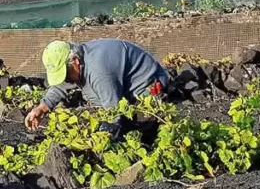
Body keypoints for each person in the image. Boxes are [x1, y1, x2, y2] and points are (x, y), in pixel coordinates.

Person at [25, 39, 168, 131]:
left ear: (75, 61)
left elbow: (114, 110)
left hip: (147, 84)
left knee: (136, 125)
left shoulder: (99, 72)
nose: (66, 80)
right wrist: (41, 108)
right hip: (115, 85)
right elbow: (60, 85)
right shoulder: (78, 60)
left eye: (65, 75)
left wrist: (109, 134)